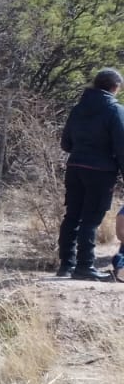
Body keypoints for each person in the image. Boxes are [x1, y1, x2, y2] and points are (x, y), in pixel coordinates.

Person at [56, 68, 124, 280]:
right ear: (115, 87)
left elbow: (65, 143)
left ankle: (66, 265)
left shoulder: (78, 109)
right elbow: (122, 146)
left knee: (72, 217)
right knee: (91, 219)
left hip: (74, 167)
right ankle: (85, 266)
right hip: (101, 172)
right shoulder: (115, 110)